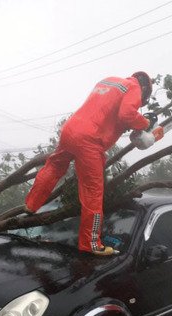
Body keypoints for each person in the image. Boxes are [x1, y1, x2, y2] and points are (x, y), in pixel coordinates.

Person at [25, 72, 161, 256]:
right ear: (145, 89)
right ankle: (91, 243)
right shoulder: (134, 87)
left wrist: (130, 123)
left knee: (55, 166)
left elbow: (107, 112)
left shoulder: (110, 80)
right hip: (89, 140)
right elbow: (127, 113)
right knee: (93, 193)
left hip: (71, 129)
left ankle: (31, 204)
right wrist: (145, 122)